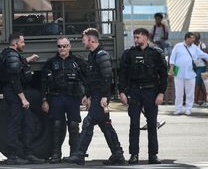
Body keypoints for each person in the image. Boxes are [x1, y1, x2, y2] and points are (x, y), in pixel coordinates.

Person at [65, 28, 125, 165]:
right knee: (106, 125)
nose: (82, 41)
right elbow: (92, 79)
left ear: (91, 40)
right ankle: (118, 154)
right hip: (96, 94)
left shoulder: (101, 55)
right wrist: (87, 95)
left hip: (101, 95)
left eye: (84, 39)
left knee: (88, 122)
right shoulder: (92, 55)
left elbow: (107, 77)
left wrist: (104, 96)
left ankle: (79, 155)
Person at [118, 28, 167, 164]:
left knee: (152, 125)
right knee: (134, 125)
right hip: (134, 92)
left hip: (151, 92)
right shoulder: (129, 54)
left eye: (138, 37)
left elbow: (163, 75)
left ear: (146, 37)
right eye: (134, 37)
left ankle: (153, 155)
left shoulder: (156, 53)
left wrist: (161, 93)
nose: (135, 40)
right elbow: (122, 74)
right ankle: (134, 155)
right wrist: (121, 92)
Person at [0, 32, 44, 165]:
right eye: (22, 42)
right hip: (14, 92)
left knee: (28, 122)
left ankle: (28, 153)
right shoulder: (11, 55)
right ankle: (12, 156)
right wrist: (23, 98)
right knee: (16, 123)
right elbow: (14, 79)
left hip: (15, 92)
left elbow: (17, 65)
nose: (24, 44)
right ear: (15, 43)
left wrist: (28, 59)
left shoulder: (12, 55)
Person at [41, 37, 86, 163]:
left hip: (73, 97)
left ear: (69, 47)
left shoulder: (78, 61)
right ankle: (56, 154)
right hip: (56, 97)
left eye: (65, 46)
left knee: (73, 125)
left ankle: (74, 153)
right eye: (60, 46)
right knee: (56, 126)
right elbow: (44, 83)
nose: (62, 49)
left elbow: (86, 79)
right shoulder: (50, 62)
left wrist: (87, 96)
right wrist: (44, 100)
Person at [169, 32, 208, 115]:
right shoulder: (178, 46)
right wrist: (171, 70)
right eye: (192, 38)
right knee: (179, 93)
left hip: (191, 73)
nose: (193, 40)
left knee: (190, 93)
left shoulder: (194, 48)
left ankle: (188, 109)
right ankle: (178, 109)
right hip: (178, 72)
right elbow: (172, 58)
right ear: (186, 38)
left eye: (194, 38)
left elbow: (203, 55)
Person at [193, 32, 208, 105]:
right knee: (200, 84)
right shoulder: (192, 46)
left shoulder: (202, 45)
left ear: (198, 38)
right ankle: (206, 100)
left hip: (202, 66)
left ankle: (195, 101)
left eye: (195, 37)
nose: (193, 39)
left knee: (198, 83)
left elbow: (205, 55)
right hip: (195, 67)